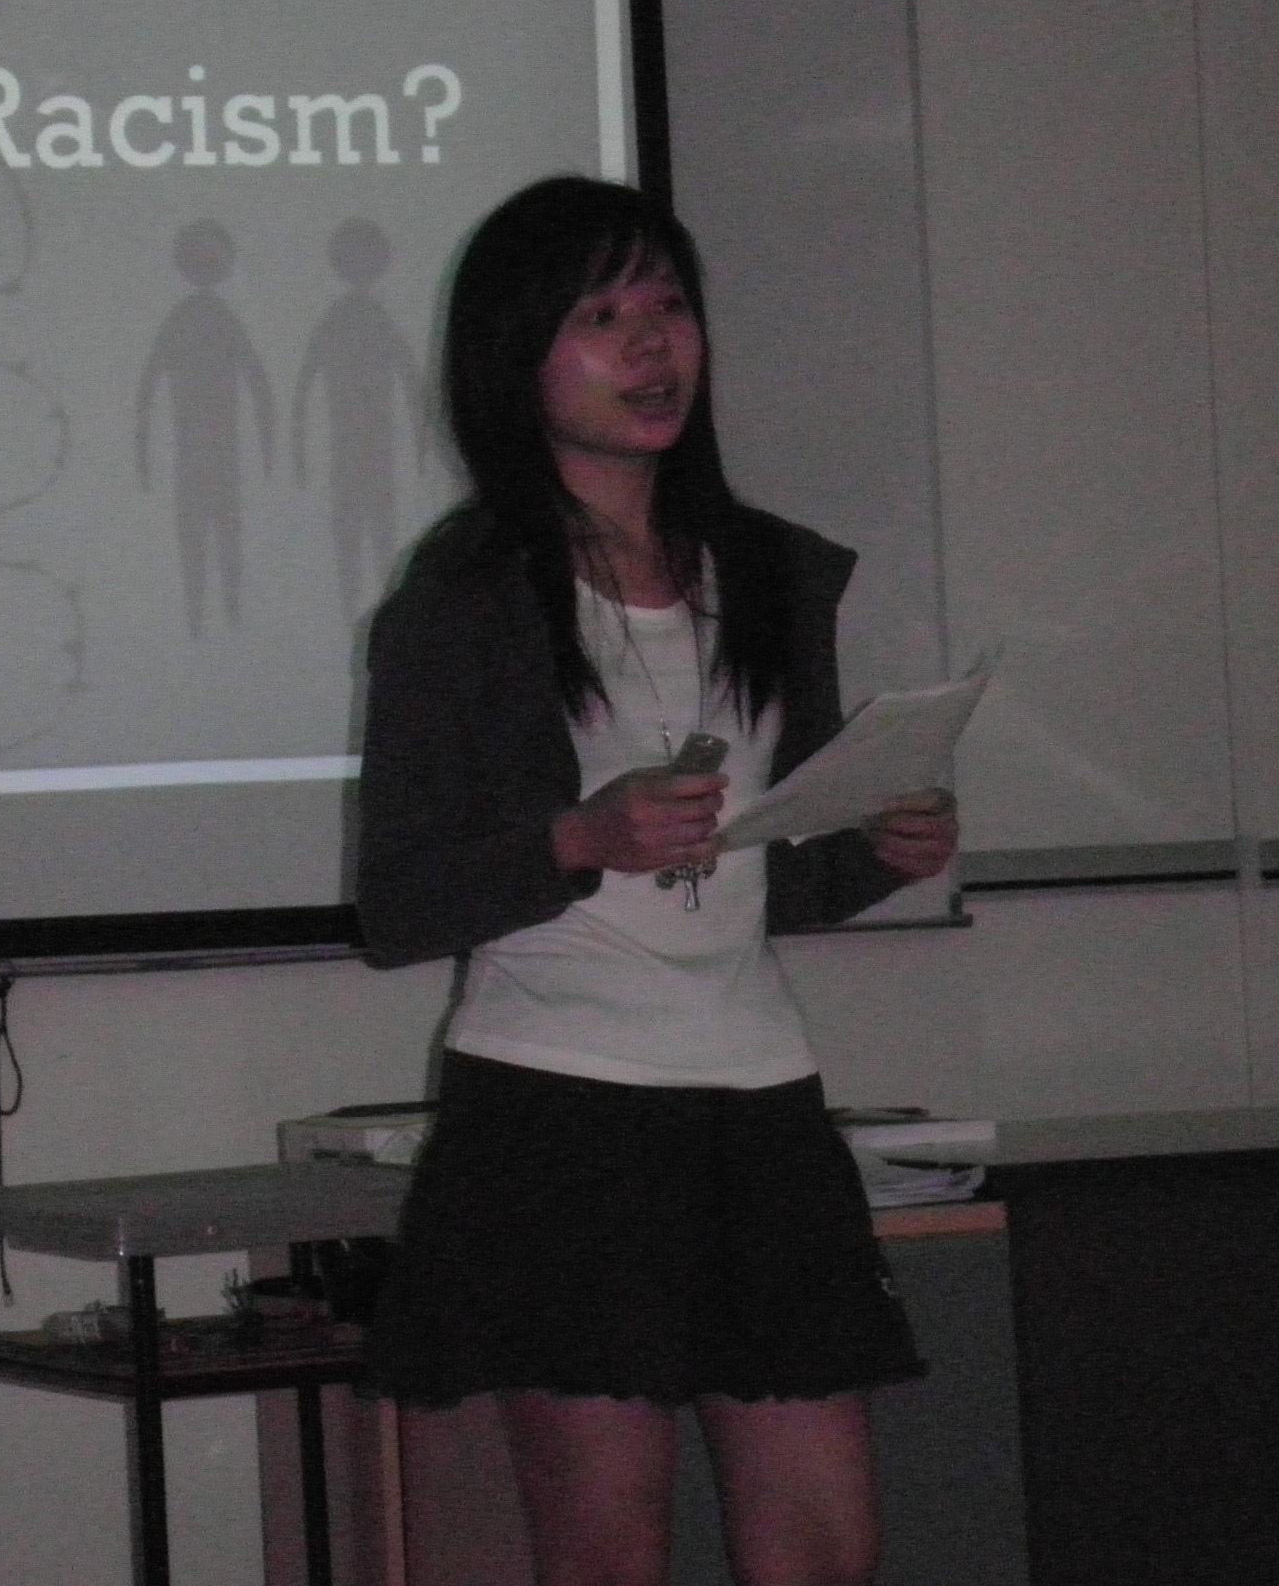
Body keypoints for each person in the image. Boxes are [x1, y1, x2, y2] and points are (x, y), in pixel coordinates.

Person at [355, 176, 960, 1586]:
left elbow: (762, 880)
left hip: (763, 1101)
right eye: (602, 317)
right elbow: (398, 903)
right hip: (562, 1115)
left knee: (825, 1547)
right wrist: (579, 840)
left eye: (671, 307)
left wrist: (877, 853)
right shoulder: (464, 601)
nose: (651, 346)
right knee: (608, 1555)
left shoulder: (766, 576)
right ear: (517, 358)